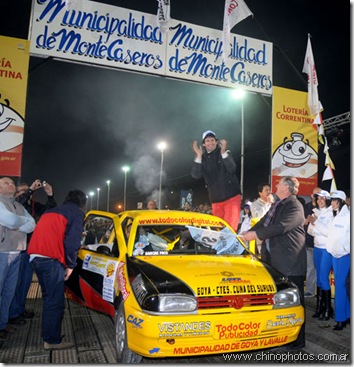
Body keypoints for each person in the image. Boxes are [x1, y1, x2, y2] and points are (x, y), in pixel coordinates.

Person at [241, 176, 306, 350]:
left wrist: (255, 235)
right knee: (279, 301)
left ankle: (297, 341)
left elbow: (282, 227)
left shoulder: (294, 205)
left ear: (286, 187)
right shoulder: (278, 205)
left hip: (290, 261)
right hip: (275, 261)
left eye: (278, 184)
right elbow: (263, 223)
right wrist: (247, 232)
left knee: (295, 301)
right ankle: (281, 336)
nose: (275, 186)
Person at [27, 190, 87, 350]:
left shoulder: (52, 211)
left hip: (35, 256)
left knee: (48, 298)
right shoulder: (76, 213)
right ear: (82, 203)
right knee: (55, 301)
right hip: (51, 259)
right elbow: (73, 243)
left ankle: (48, 334)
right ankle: (51, 340)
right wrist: (71, 265)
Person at [9, 179, 57, 326]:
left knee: (25, 281)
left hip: (30, 247)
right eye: (22, 190)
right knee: (14, 283)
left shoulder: (33, 206)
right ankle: (12, 313)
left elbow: (50, 211)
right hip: (17, 248)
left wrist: (49, 195)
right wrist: (29, 189)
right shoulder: (15, 205)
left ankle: (19, 308)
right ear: (16, 193)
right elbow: (21, 201)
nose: (26, 192)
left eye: (27, 190)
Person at [0, 177, 36, 341]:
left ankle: (2, 324)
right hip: (2, 252)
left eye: (12, 183)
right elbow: (13, 220)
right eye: (6, 183)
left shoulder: (19, 205)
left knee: (9, 292)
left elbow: (32, 225)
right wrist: (20, 222)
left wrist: (15, 223)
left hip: (17, 252)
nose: (11, 185)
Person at [191, 130, 242, 231]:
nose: (210, 142)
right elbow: (196, 175)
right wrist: (198, 155)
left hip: (231, 196)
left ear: (216, 142)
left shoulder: (224, 152)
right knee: (218, 229)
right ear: (204, 144)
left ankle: (230, 246)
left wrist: (223, 152)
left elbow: (232, 168)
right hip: (215, 200)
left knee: (229, 229)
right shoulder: (202, 158)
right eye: (207, 140)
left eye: (212, 140)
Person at [326, 190, 350, 331]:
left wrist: (345, 249)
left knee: (340, 287)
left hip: (344, 255)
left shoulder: (348, 216)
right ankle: (347, 315)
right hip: (334, 254)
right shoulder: (334, 215)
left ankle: (340, 318)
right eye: (332, 200)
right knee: (341, 286)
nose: (332, 203)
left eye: (335, 201)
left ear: (340, 201)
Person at [307, 190, 333, 319]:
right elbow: (310, 231)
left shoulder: (331, 213)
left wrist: (317, 223)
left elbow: (329, 232)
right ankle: (320, 308)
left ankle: (328, 309)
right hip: (316, 246)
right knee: (319, 278)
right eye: (318, 199)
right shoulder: (315, 212)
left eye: (323, 199)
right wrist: (317, 227)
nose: (320, 201)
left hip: (326, 249)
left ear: (327, 200)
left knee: (323, 278)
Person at [303, 187, 321, 298]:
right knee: (310, 267)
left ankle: (321, 291)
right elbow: (301, 222)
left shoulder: (324, 208)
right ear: (311, 195)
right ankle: (310, 290)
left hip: (321, 244)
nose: (317, 197)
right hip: (308, 242)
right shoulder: (306, 207)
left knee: (320, 268)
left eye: (319, 195)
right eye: (315, 195)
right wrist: (307, 221)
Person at [250, 183, 273, 254]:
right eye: (266, 190)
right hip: (261, 237)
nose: (269, 192)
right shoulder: (254, 205)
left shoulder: (275, 203)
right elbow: (258, 217)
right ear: (260, 193)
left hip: (272, 235)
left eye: (269, 190)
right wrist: (267, 204)